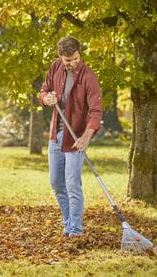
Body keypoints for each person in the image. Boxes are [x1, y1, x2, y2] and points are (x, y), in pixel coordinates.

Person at [39, 36, 102, 236]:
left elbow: (96, 111)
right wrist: (46, 98)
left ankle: (75, 230)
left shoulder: (88, 76)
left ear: (78, 53)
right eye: (68, 61)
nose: (73, 63)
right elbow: (44, 90)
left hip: (76, 135)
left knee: (72, 184)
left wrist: (86, 136)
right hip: (56, 135)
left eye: (75, 58)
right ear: (60, 58)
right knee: (56, 183)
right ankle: (68, 223)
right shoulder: (55, 67)